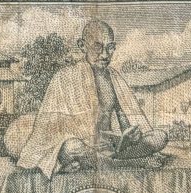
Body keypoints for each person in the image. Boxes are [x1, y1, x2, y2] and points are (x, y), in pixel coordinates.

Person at [17, 20, 169, 177]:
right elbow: (47, 130)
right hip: (84, 147)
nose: (105, 55)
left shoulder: (114, 78)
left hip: (112, 147)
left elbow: (125, 120)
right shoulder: (63, 77)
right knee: (72, 147)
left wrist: (131, 135)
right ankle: (132, 163)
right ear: (82, 46)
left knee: (159, 137)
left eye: (110, 48)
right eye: (98, 47)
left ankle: (111, 161)